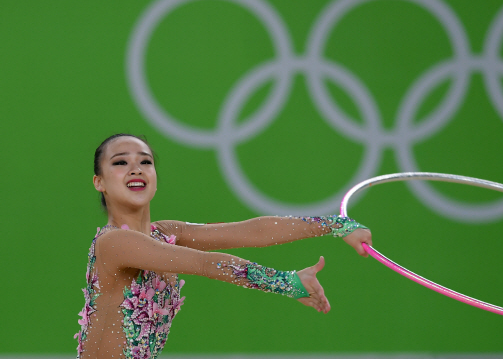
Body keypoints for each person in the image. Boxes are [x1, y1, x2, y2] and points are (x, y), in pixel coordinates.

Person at [75, 133, 372, 358]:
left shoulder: (165, 233)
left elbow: (251, 231)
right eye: (120, 162)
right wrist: (286, 282)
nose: (136, 168)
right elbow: (203, 263)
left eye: (145, 161)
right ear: (98, 182)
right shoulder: (114, 242)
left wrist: (336, 225)